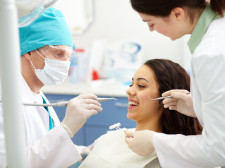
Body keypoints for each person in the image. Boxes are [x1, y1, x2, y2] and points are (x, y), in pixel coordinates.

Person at [125, 0, 225, 167]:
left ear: (178, 14)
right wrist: (199, 108)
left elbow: (219, 150)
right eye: (131, 84)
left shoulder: (211, 53)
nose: (150, 30)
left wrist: (155, 141)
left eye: (151, 23)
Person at [0, 8, 102, 168]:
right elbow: (10, 164)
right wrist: (66, 128)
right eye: (58, 54)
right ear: (29, 51)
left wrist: (84, 152)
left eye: (69, 56)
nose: (65, 64)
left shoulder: (36, 94)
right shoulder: (4, 100)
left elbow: (45, 145)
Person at [78, 59, 202, 168]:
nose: (129, 90)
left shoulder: (164, 158)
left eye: (141, 85)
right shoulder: (109, 137)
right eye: (132, 84)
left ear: (168, 97)